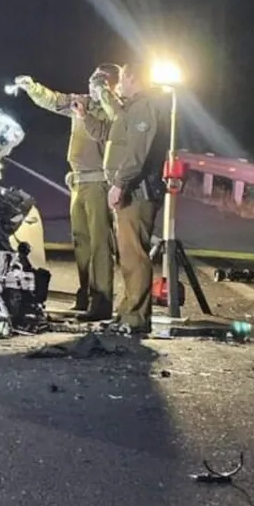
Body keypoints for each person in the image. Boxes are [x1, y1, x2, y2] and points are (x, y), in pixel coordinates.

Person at [13, 64, 119, 321]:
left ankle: (102, 301)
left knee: (99, 244)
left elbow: (113, 124)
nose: (92, 84)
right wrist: (31, 87)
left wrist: (101, 98)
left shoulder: (115, 108)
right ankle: (85, 297)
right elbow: (54, 100)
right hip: (79, 183)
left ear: (110, 84)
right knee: (81, 242)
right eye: (92, 79)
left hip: (98, 183)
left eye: (100, 80)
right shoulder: (80, 102)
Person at [102, 62, 171, 335]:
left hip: (138, 191)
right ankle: (128, 312)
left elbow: (136, 153)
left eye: (122, 79)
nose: (119, 84)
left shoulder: (145, 107)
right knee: (128, 255)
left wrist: (119, 184)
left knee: (135, 256)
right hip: (134, 189)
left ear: (133, 78)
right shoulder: (135, 106)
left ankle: (136, 319)